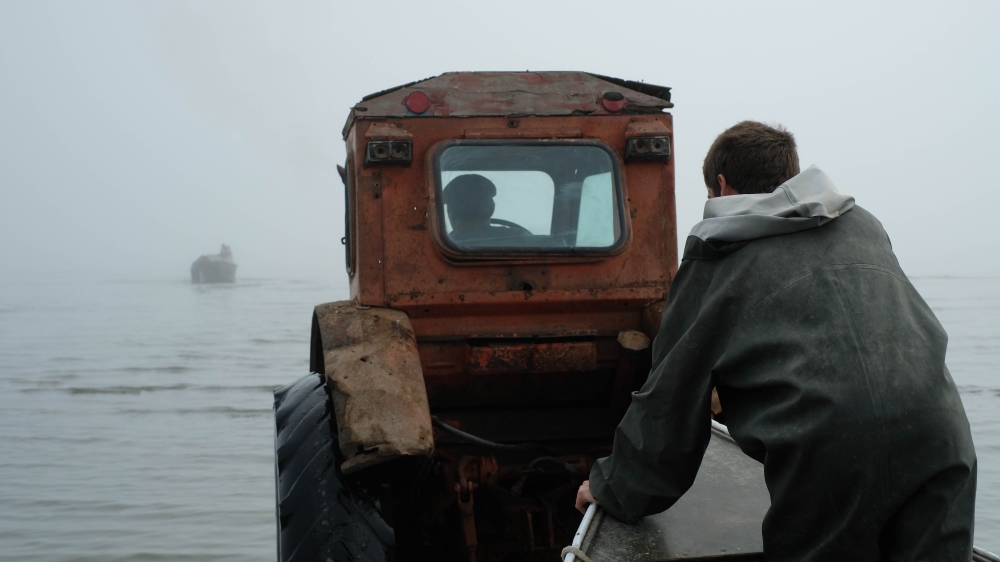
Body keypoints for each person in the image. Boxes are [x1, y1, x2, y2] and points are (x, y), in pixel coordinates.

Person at [575, 121, 977, 561]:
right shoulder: (863, 225)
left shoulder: (716, 254)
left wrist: (613, 488)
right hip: (942, 430)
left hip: (829, 448)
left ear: (722, 185)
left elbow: (668, 401)